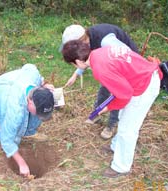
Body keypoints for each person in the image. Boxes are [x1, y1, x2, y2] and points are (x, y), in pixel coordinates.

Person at [61, 39, 162, 178]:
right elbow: (120, 83)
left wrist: (108, 107)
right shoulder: (99, 52)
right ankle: (116, 146)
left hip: (144, 85)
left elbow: (125, 95)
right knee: (122, 117)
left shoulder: (100, 69)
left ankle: (121, 167)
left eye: (73, 64)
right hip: (141, 76)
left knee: (128, 129)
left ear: (78, 62)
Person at [59, 24, 140, 140]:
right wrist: (75, 75)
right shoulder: (86, 43)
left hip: (127, 64)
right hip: (111, 63)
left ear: (81, 42)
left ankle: (112, 124)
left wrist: (116, 78)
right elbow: (83, 59)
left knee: (117, 94)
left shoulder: (106, 41)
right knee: (104, 88)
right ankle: (96, 114)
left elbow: (126, 54)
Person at [0, 64, 55, 177]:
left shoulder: (33, 76)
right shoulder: (15, 112)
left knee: (34, 117)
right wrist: (22, 163)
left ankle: (28, 132)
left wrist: (45, 84)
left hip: (8, 88)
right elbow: (6, 141)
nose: (41, 117)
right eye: (38, 111)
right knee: (14, 139)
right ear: (30, 101)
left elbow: (29, 67)